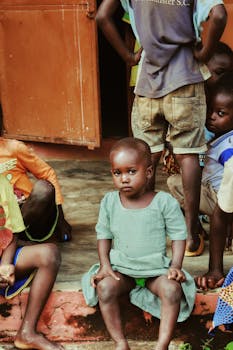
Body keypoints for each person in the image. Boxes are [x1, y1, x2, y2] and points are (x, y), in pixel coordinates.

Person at [95, 0, 227, 256]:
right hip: (185, 76)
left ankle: (145, 230)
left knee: (146, 154)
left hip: (147, 81)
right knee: (188, 154)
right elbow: (219, 15)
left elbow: (102, 16)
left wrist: (128, 56)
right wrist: (204, 53)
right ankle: (191, 235)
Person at [82, 137, 196, 350]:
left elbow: (178, 235)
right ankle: (120, 342)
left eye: (131, 172)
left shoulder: (164, 202)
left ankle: (162, 345)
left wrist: (175, 267)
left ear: (149, 172)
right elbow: (103, 235)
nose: (124, 178)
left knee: (172, 290)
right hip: (122, 270)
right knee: (105, 288)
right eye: (118, 173)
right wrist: (105, 265)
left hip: (155, 271)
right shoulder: (109, 202)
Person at [166, 41, 233, 254]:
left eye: (227, 74)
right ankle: (194, 228)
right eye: (219, 72)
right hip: (206, 181)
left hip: (224, 194)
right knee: (178, 182)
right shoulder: (191, 99)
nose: (222, 79)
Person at [0, 169, 63, 350]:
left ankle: (27, 333)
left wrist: (6, 264)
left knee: (48, 254)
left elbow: (13, 231)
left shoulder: (2, 182)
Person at [0, 105, 72, 243]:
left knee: (43, 189)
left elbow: (48, 173)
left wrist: (61, 219)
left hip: (30, 217)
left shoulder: (13, 148)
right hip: (3, 219)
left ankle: (12, 238)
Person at [190, 72, 233, 290]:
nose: (211, 117)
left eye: (220, 113)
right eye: (209, 110)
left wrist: (215, 268)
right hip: (219, 195)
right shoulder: (220, 137)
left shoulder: (229, 149)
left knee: (183, 187)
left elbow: (221, 212)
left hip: (221, 199)